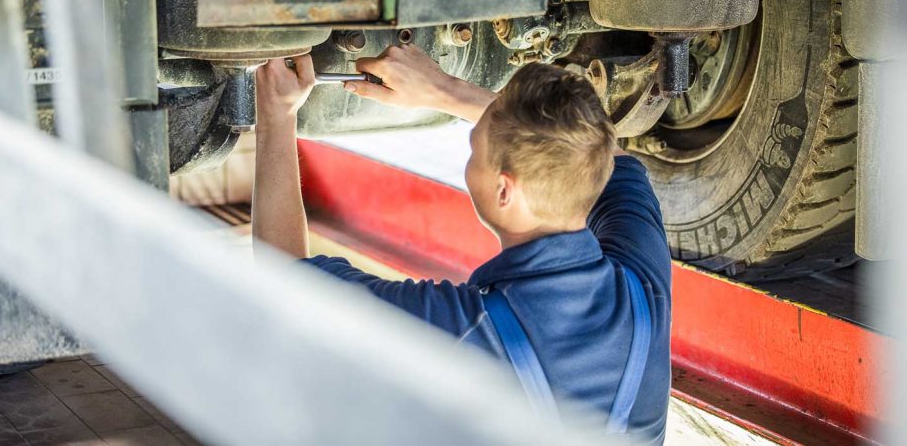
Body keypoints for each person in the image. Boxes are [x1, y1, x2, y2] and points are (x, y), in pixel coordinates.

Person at [252, 45, 671, 444]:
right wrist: (442, 88)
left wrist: (277, 114)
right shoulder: (643, 291)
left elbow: (281, 276)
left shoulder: (464, 328)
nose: (470, 159)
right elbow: (607, 158)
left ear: (505, 191)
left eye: (474, 151)